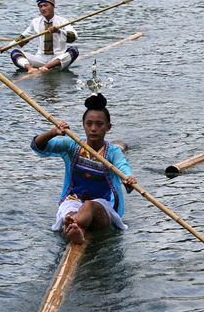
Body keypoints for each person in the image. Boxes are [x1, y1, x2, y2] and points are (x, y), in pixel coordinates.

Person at [31, 93, 136, 245]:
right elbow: (38, 146)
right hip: (74, 200)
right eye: (89, 124)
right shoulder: (72, 145)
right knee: (72, 211)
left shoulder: (113, 152)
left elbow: (123, 168)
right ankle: (75, 227)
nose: (93, 129)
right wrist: (54, 132)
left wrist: (129, 179)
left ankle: (74, 224)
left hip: (103, 205)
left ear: (108, 127)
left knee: (89, 206)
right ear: (83, 125)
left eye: (99, 125)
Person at [10, 0, 78, 73]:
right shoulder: (35, 22)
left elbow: (73, 37)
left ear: (53, 6)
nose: (43, 9)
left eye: (45, 5)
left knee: (74, 50)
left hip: (58, 59)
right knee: (14, 53)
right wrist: (6, 47)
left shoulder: (63, 21)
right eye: (40, 6)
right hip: (40, 59)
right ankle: (30, 69)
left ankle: (46, 67)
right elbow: (23, 38)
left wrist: (58, 31)